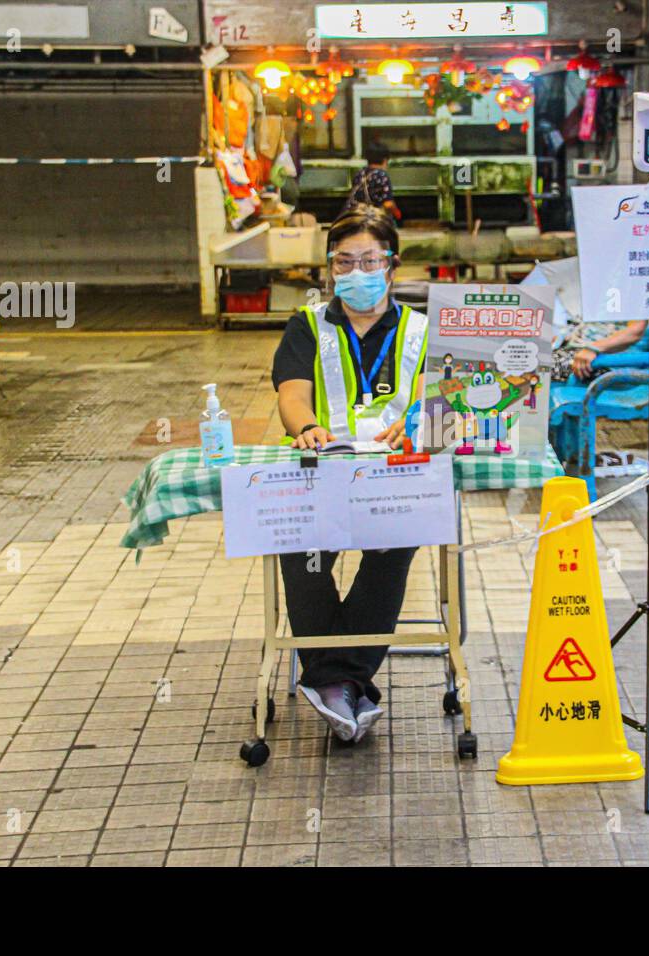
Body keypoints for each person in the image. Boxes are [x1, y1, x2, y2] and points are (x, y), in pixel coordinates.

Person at [271, 204, 427, 743]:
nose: (356, 273)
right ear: (329, 268)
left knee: (394, 546)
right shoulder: (307, 324)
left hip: (395, 478)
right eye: (344, 262)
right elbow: (291, 392)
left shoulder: (423, 330)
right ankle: (344, 684)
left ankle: (335, 680)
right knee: (301, 550)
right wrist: (306, 426)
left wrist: (419, 426)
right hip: (321, 474)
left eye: (368, 260)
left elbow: (443, 402)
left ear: (391, 264)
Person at [551, 319, 649, 382]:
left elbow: (636, 332)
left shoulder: (634, 289)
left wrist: (593, 348)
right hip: (583, 350)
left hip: (611, 362)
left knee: (540, 364)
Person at [342, 141, 401, 221]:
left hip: (354, 215)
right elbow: (388, 204)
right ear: (385, 160)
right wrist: (397, 213)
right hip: (372, 218)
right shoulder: (382, 175)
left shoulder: (359, 174)